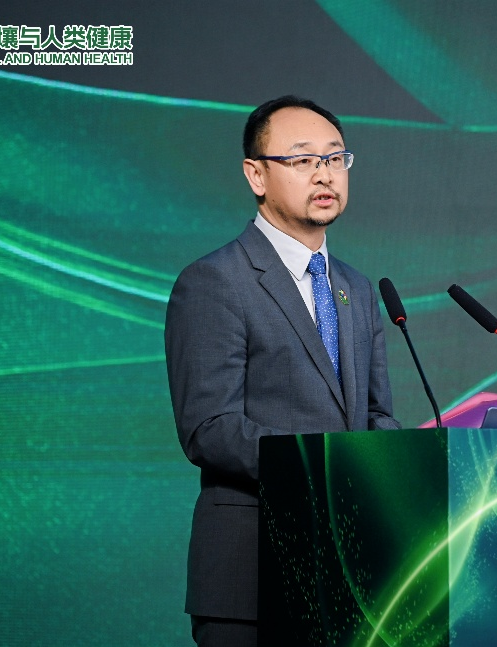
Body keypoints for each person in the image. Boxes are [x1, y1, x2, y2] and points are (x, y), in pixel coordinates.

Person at [164, 95, 400, 647]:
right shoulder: (215, 281)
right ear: (256, 175)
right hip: (252, 573)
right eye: (302, 159)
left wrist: (391, 464)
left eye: (335, 158)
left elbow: (376, 414)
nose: (325, 174)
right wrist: (328, 469)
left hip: (347, 573)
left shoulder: (358, 288)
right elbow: (210, 428)